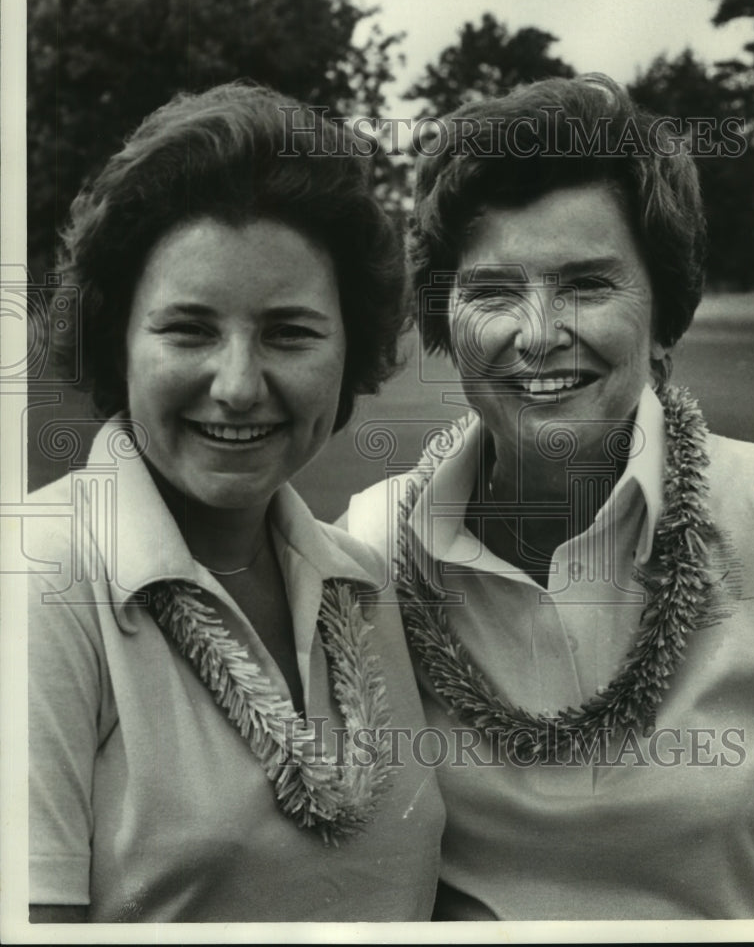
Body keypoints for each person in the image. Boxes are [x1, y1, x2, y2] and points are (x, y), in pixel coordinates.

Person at [345, 74, 754, 920]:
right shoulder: (365, 549)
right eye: (493, 292)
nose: (537, 335)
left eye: (586, 284)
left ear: (665, 315)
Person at [26, 83, 444, 923]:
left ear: (349, 349)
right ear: (117, 340)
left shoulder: (366, 580)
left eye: (290, 333)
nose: (239, 385)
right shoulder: (37, 580)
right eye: (188, 330)